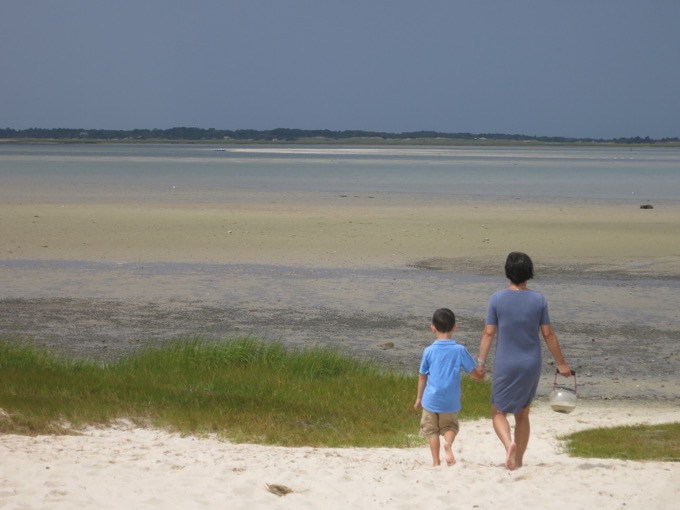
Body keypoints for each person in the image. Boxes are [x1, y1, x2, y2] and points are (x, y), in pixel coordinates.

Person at [476, 251, 571, 470]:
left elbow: (488, 333)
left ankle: (509, 444)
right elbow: (548, 334)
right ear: (529, 273)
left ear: (507, 273)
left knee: (498, 411)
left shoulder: (497, 298)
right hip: (531, 362)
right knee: (523, 413)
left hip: (505, 362)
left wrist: (480, 362)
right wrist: (561, 364)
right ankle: (517, 460)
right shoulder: (539, 300)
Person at [414, 308, 484, 467]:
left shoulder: (428, 351)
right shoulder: (459, 350)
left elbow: (422, 376)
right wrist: (479, 376)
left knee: (431, 432)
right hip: (450, 400)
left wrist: (419, 398)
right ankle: (448, 444)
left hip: (430, 399)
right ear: (455, 327)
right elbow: (473, 371)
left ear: (432, 327)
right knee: (450, 427)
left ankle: (435, 462)